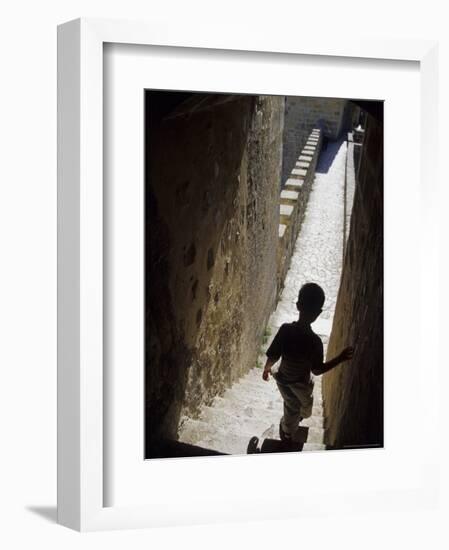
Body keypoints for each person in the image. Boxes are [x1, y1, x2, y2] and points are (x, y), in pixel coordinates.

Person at [262, 282, 354, 448]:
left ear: (298, 306)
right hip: (293, 383)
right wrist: (339, 359)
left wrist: (267, 367)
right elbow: (317, 370)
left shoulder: (286, 330)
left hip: (288, 380)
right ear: (318, 313)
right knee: (293, 410)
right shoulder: (314, 342)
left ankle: (291, 423)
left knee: (304, 409)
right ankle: (287, 432)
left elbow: (274, 353)